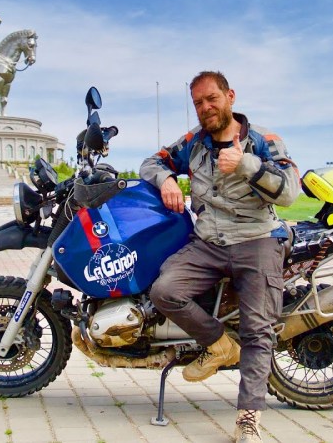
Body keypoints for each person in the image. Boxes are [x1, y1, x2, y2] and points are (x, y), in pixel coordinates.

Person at [139, 71, 299, 443]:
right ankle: (219, 345)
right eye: (198, 103)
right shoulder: (194, 142)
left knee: (258, 330)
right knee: (164, 291)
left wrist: (247, 166)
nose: (205, 108)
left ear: (230, 96)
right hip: (208, 242)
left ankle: (248, 419)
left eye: (211, 99)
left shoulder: (262, 141)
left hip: (256, 239)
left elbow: (290, 192)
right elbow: (151, 161)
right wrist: (165, 179)